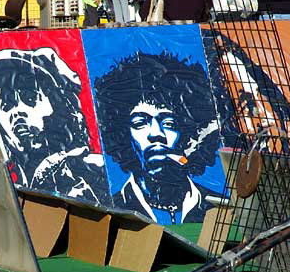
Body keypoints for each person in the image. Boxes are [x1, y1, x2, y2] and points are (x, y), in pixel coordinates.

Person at [93, 51, 221, 224]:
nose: (156, 134)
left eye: (168, 123)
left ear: (189, 132)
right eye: (140, 123)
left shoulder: (217, 208)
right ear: (122, 135)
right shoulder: (112, 211)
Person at [0, 47, 108, 204]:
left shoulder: (95, 172)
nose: (18, 112)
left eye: (29, 99)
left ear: (59, 105)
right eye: (7, 104)